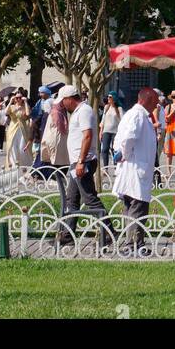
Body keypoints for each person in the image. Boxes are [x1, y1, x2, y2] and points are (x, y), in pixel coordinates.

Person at [57, 84, 114, 246]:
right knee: (72, 199)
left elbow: (87, 136)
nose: (62, 105)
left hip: (83, 162)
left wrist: (81, 161)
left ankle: (108, 232)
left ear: (69, 99)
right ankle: (68, 236)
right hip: (78, 162)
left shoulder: (84, 111)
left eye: (63, 101)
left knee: (90, 199)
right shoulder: (77, 112)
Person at [112, 86, 159, 245]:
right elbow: (129, 137)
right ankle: (133, 244)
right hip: (135, 169)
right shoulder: (137, 115)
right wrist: (123, 154)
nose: (157, 105)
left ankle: (134, 241)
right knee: (137, 209)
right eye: (156, 101)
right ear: (148, 100)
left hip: (136, 169)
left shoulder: (138, 114)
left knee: (132, 208)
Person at [4, 89, 33, 169]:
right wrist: (10, 102)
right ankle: (13, 167)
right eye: (16, 98)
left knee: (22, 148)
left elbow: (28, 114)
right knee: (12, 148)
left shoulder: (25, 106)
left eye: (20, 97)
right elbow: (6, 112)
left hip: (23, 129)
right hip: (12, 129)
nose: (18, 99)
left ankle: (25, 166)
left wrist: (26, 102)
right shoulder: (12, 106)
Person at [99, 93, 122, 168]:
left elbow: (121, 120)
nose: (108, 98)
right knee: (104, 149)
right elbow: (103, 119)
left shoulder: (119, 108)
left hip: (115, 131)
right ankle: (106, 168)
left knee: (115, 149)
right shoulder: (106, 107)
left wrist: (115, 108)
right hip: (106, 131)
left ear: (114, 98)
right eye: (108, 97)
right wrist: (101, 131)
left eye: (110, 97)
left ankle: (116, 166)